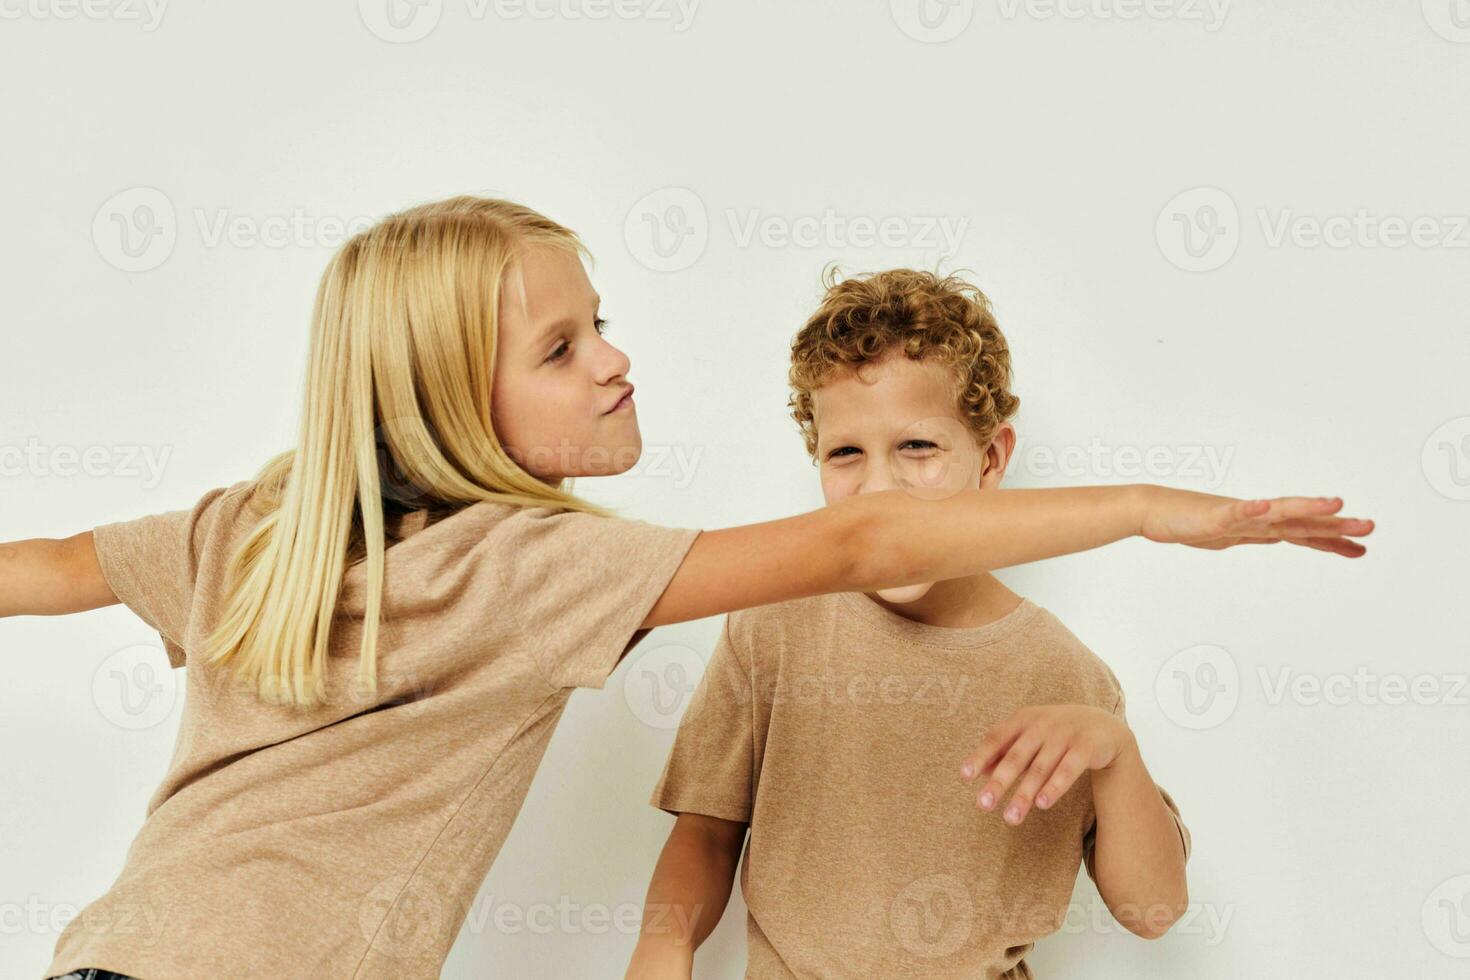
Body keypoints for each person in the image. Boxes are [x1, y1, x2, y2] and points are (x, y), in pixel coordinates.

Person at [4, 197, 1371, 980]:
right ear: (446, 397)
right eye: (560, 345)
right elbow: (856, 550)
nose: (611, 358)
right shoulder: (533, 564)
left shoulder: (261, 524)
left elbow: (55, 569)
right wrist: (1147, 508)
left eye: (599, 319)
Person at [625, 268, 1356, 978]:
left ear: (991, 458)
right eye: (845, 453)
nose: (879, 487)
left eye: (917, 447)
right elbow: (708, 836)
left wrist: (1116, 754)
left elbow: (1154, 911)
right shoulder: (774, 624)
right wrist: (662, 950)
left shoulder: (1065, 674)